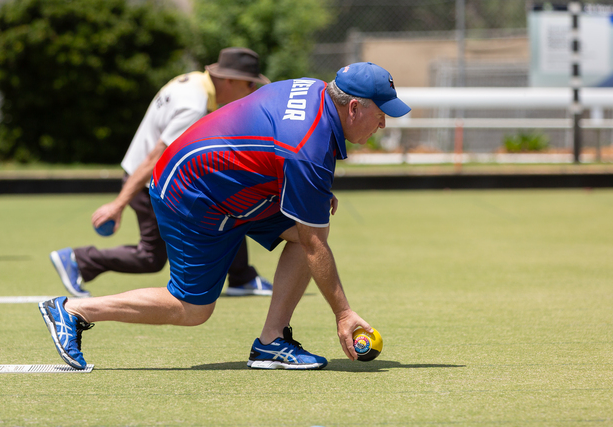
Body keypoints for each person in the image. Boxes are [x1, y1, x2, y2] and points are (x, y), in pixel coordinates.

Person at [39, 62, 411, 370]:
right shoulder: (306, 147)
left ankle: (271, 342)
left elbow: (273, 137)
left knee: (302, 234)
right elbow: (315, 240)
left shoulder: (315, 89)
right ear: (353, 108)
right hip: (191, 192)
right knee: (192, 308)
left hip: (224, 182)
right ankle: (74, 310)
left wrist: (308, 194)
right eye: (380, 115)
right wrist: (343, 313)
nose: (382, 125)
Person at [49, 48, 273, 298]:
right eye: (250, 84)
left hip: (149, 176)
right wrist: (118, 204)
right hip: (147, 183)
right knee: (151, 257)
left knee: (222, 206)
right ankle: (78, 260)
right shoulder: (194, 106)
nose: (253, 90)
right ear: (230, 79)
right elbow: (155, 156)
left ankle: (242, 277)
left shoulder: (191, 81)